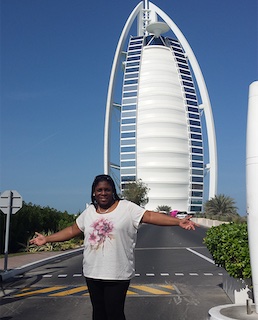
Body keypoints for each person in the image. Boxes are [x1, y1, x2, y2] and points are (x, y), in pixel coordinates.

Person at [30, 174, 198, 320]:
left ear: (113, 191)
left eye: (107, 190)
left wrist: (178, 221)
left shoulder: (127, 208)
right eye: (99, 190)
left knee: (114, 313)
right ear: (94, 193)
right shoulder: (89, 212)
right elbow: (72, 230)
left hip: (117, 272)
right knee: (98, 313)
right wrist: (47, 239)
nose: (103, 193)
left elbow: (150, 216)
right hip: (92, 271)